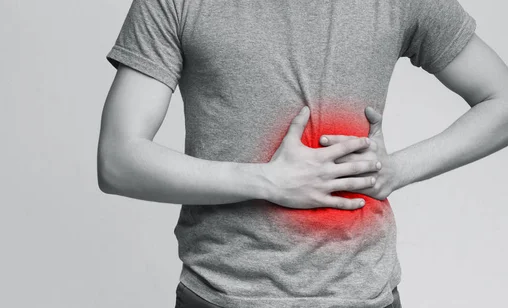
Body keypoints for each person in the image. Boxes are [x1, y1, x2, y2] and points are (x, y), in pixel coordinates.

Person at [98, 0, 508, 307]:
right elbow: (118, 160)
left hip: (363, 297)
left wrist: (399, 169)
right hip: (220, 296)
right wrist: (268, 181)